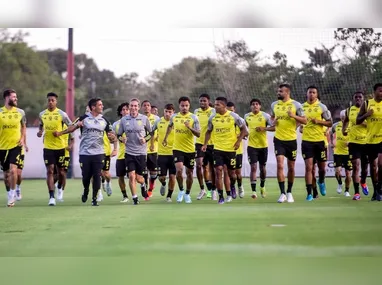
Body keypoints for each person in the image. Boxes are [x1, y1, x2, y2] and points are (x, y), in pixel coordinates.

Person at [54, 98, 115, 206]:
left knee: (97, 175)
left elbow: (111, 135)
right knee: (86, 176)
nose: (102, 106)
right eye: (100, 105)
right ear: (93, 107)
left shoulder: (104, 120)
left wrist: (112, 138)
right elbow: (71, 127)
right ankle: (86, 189)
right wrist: (61, 133)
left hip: (99, 153)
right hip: (85, 153)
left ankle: (94, 198)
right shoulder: (83, 118)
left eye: (102, 104)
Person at [202, 96, 247, 204]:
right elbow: (208, 131)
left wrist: (238, 141)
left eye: (218, 105)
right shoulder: (212, 118)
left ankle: (232, 186)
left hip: (230, 150)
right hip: (217, 149)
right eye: (215, 104)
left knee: (232, 174)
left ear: (224, 106)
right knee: (218, 171)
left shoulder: (233, 116)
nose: (215, 106)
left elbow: (244, 130)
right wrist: (205, 144)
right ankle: (221, 196)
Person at [270, 84, 307, 203]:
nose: (278, 93)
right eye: (278, 91)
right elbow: (272, 118)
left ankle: (289, 191)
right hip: (278, 140)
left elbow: (305, 120)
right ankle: (282, 193)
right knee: (280, 165)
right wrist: (273, 121)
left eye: (280, 91)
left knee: (291, 167)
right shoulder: (274, 105)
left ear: (287, 92)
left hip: (291, 140)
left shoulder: (296, 105)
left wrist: (293, 116)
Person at [163, 96, 200, 204]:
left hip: (190, 150)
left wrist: (190, 127)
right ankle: (181, 190)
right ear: (179, 106)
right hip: (177, 149)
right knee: (179, 171)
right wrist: (165, 138)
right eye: (182, 105)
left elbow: (198, 134)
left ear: (189, 106)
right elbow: (169, 126)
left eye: (186, 105)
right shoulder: (174, 117)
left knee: (189, 173)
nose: (184, 107)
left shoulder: (194, 117)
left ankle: (187, 193)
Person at [37, 93, 72, 206]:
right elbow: (41, 124)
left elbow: (72, 127)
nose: (50, 102)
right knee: (50, 171)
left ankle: (60, 188)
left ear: (56, 102)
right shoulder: (42, 114)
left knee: (61, 172)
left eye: (52, 100)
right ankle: (51, 197)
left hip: (60, 147)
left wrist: (60, 133)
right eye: (49, 100)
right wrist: (40, 131)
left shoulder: (62, 114)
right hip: (48, 148)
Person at [117, 98, 151, 205]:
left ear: (139, 107)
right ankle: (135, 198)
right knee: (131, 175)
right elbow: (118, 135)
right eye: (131, 106)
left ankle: (143, 184)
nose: (133, 108)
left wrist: (145, 139)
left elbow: (151, 133)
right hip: (129, 152)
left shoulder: (144, 119)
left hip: (141, 153)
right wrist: (122, 139)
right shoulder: (124, 120)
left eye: (135, 106)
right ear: (129, 107)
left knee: (138, 178)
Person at [301, 86, 332, 201]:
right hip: (307, 142)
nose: (311, 94)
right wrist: (299, 127)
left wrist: (318, 121)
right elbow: (298, 121)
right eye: (310, 92)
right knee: (309, 168)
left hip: (320, 142)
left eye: (314, 92)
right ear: (307, 94)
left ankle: (321, 181)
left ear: (317, 94)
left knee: (321, 168)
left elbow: (330, 123)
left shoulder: (322, 107)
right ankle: (310, 193)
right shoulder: (301, 107)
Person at [0, 89, 26, 207]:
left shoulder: (20, 112)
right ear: (6, 98)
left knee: (13, 170)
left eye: (16, 96)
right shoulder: (0, 112)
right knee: (6, 175)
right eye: (13, 97)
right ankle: (9, 191)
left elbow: (24, 126)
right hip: (2, 147)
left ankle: (12, 195)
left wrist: (22, 139)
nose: (16, 99)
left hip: (16, 145)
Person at [356, 83, 382, 201]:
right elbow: (357, 120)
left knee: (381, 164)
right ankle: (376, 190)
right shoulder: (366, 104)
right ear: (375, 92)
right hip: (371, 140)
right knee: (373, 166)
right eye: (380, 91)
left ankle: (379, 188)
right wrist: (367, 114)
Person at [244, 98, 273, 199]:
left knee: (262, 168)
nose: (255, 106)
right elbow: (244, 128)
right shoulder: (247, 116)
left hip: (263, 146)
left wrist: (264, 128)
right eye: (253, 104)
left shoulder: (265, 116)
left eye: (257, 104)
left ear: (260, 106)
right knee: (253, 167)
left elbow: (274, 127)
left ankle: (262, 186)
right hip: (251, 146)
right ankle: (253, 191)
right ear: (250, 106)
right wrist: (243, 134)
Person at [342, 91, 369, 200]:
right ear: (353, 99)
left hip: (366, 142)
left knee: (365, 169)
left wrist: (363, 122)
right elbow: (345, 121)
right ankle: (357, 193)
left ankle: (363, 181)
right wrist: (344, 130)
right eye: (356, 97)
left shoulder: (368, 110)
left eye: (360, 97)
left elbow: (373, 124)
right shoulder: (349, 110)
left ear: (363, 99)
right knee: (356, 166)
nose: (358, 99)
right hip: (353, 143)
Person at [152, 103, 176, 202]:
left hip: (174, 153)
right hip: (162, 154)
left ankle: (169, 196)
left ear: (173, 112)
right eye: (166, 111)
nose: (167, 114)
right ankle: (163, 184)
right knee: (161, 177)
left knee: (172, 176)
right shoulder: (158, 121)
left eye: (170, 112)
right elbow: (151, 132)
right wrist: (148, 141)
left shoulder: (176, 122)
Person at [194, 94, 215, 200]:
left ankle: (213, 189)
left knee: (211, 167)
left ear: (208, 101)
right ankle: (203, 189)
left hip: (212, 143)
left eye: (204, 101)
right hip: (199, 142)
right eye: (201, 101)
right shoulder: (196, 112)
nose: (202, 103)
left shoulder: (213, 111)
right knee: (199, 165)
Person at [227, 101, 245, 199]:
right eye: (229, 111)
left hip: (238, 151)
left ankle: (240, 186)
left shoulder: (239, 120)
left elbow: (246, 133)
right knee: (230, 173)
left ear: (235, 110)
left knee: (238, 173)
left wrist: (239, 136)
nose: (231, 113)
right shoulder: (224, 120)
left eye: (232, 110)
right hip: (227, 150)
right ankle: (232, 188)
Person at [331, 110, 352, 197]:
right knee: (337, 172)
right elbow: (330, 134)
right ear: (340, 117)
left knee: (348, 173)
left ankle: (347, 191)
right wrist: (332, 142)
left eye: (345, 118)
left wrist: (350, 142)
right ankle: (340, 183)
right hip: (337, 152)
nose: (343, 120)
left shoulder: (352, 125)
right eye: (342, 118)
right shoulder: (335, 125)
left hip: (348, 153)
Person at [142, 100, 160, 198]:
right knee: (144, 172)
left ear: (150, 107)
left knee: (153, 173)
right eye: (144, 105)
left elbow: (161, 130)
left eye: (148, 105)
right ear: (142, 107)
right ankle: (145, 192)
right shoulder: (139, 118)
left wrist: (159, 137)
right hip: (142, 150)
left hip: (154, 150)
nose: (146, 107)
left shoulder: (156, 119)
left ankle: (150, 189)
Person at [112, 102, 130, 203]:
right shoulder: (116, 124)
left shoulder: (135, 122)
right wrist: (114, 148)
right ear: (120, 112)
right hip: (121, 155)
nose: (125, 111)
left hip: (133, 154)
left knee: (136, 176)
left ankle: (143, 185)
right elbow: (113, 138)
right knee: (121, 176)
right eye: (123, 110)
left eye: (127, 109)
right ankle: (125, 195)